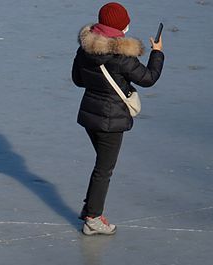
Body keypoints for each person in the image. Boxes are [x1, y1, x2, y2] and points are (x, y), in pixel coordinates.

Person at [72, 2, 163, 235]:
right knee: (104, 169)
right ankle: (93, 219)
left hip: (90, 117)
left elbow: (78, 80)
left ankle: (89, 208)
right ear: (122, 26)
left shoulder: (85, 49)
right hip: (111, 121)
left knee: (101, 164)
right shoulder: (122, 56)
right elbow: (149, 78)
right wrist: (157, 53)